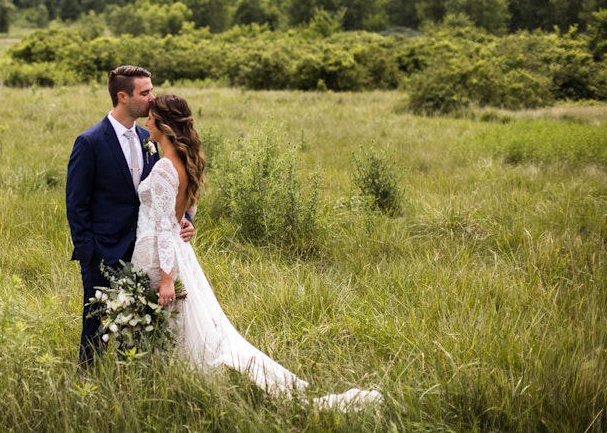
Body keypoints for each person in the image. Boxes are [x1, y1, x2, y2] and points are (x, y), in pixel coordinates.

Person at [131, 94, 382, 410]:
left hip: (161, 257)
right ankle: (173, 381)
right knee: (180, 323)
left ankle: (183, 384)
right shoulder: (186, 162)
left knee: (173, 322)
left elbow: (165, 227)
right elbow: (187, 212)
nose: (147, 122)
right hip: (174, 253)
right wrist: (183, 223)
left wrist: (167, 278)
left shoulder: (166, 167)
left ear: (165, 125)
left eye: (152, 118)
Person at [66, 66, 194, 366]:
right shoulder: (90, 142)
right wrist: (89, 253)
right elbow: (76, 204)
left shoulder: (150, 138)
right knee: (96, 324)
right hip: (103, 251)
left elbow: (169, 188)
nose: (152, 98)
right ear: (123, 96)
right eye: (145, 92)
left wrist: (185, 220)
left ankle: (130, 379)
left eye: (152, 90)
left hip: (145, 252)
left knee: (142, 325)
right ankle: (89, 377)